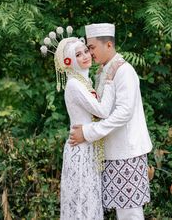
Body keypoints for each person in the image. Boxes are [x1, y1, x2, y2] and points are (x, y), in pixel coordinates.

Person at [69, 23, 153, 220]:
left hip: (127, 151)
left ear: (108, 45)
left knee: (130, 212)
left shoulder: (124, 71)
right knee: (120, 210)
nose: (89, 53)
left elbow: (124, 112)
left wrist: (88, 133)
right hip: (112, 151)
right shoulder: (103, 72)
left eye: (91, 48)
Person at [41, 29, 119, 220]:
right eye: (78, 54)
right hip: (81, 149)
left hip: (87, 145)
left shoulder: (84, 81)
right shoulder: (75, 85)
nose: (85, 56)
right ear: (68, 61)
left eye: (85, 51)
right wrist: (109, 82)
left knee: (88, 199)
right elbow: (102, 111)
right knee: (82, 200)